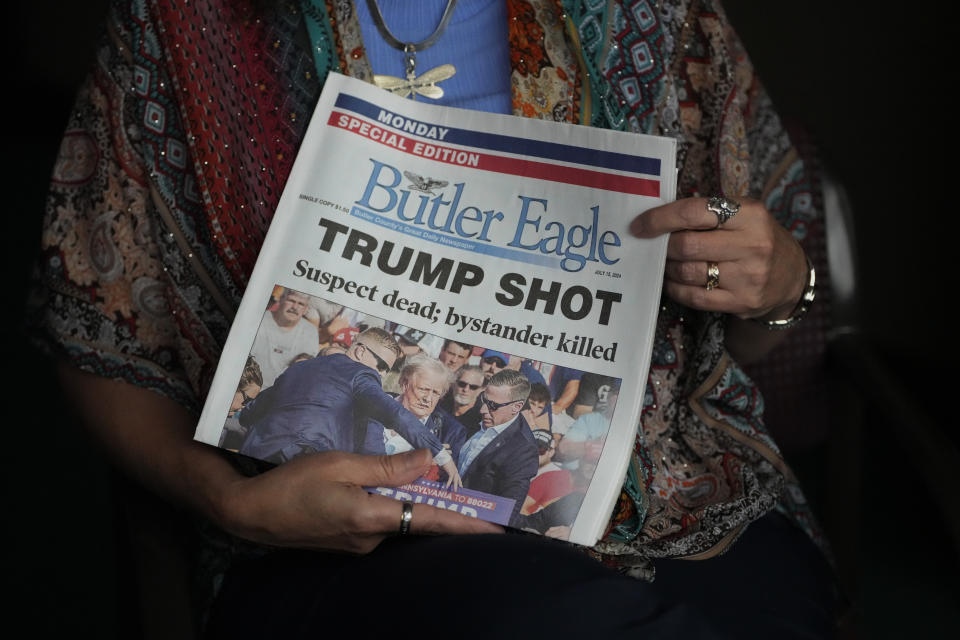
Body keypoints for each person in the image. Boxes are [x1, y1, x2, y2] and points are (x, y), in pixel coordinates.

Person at [31, 0, 837, 637]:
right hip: (340, 543)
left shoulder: (658, 14)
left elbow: (757, 328)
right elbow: (97, 331)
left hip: (687, 501)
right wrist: (224, 501)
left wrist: (780, 287)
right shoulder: (180, 24)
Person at [238, 327, 461, 490]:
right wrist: (441, 455)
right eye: (381, 365)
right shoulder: (362, 376)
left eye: (387, 369)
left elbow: (251, 412)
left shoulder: (301, 367)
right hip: (301, 471)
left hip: (254, 456)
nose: (381, 374)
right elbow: (394, 414)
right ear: (360, 351)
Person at [458, 369, 539, 526]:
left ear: (517, 407)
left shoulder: (523, 451)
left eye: (492, 406)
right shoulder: (479, 411)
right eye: (483, 400)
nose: (483, 410)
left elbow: (505, 513)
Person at [248, 288, 320, 388]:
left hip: (280, 393)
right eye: (291, 301)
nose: (295, 307)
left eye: (301, 304)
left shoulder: (310, 331)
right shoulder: (260, 320)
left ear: (306, 309)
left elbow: (305, 371)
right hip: (247, 386)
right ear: (281, 299)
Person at [438, 363, 486, 437]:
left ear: (481, 390)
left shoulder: (481, 419)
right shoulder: (440, 406)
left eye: (473, 387)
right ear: (454, 384)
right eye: (462, 384)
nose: (466, 389)